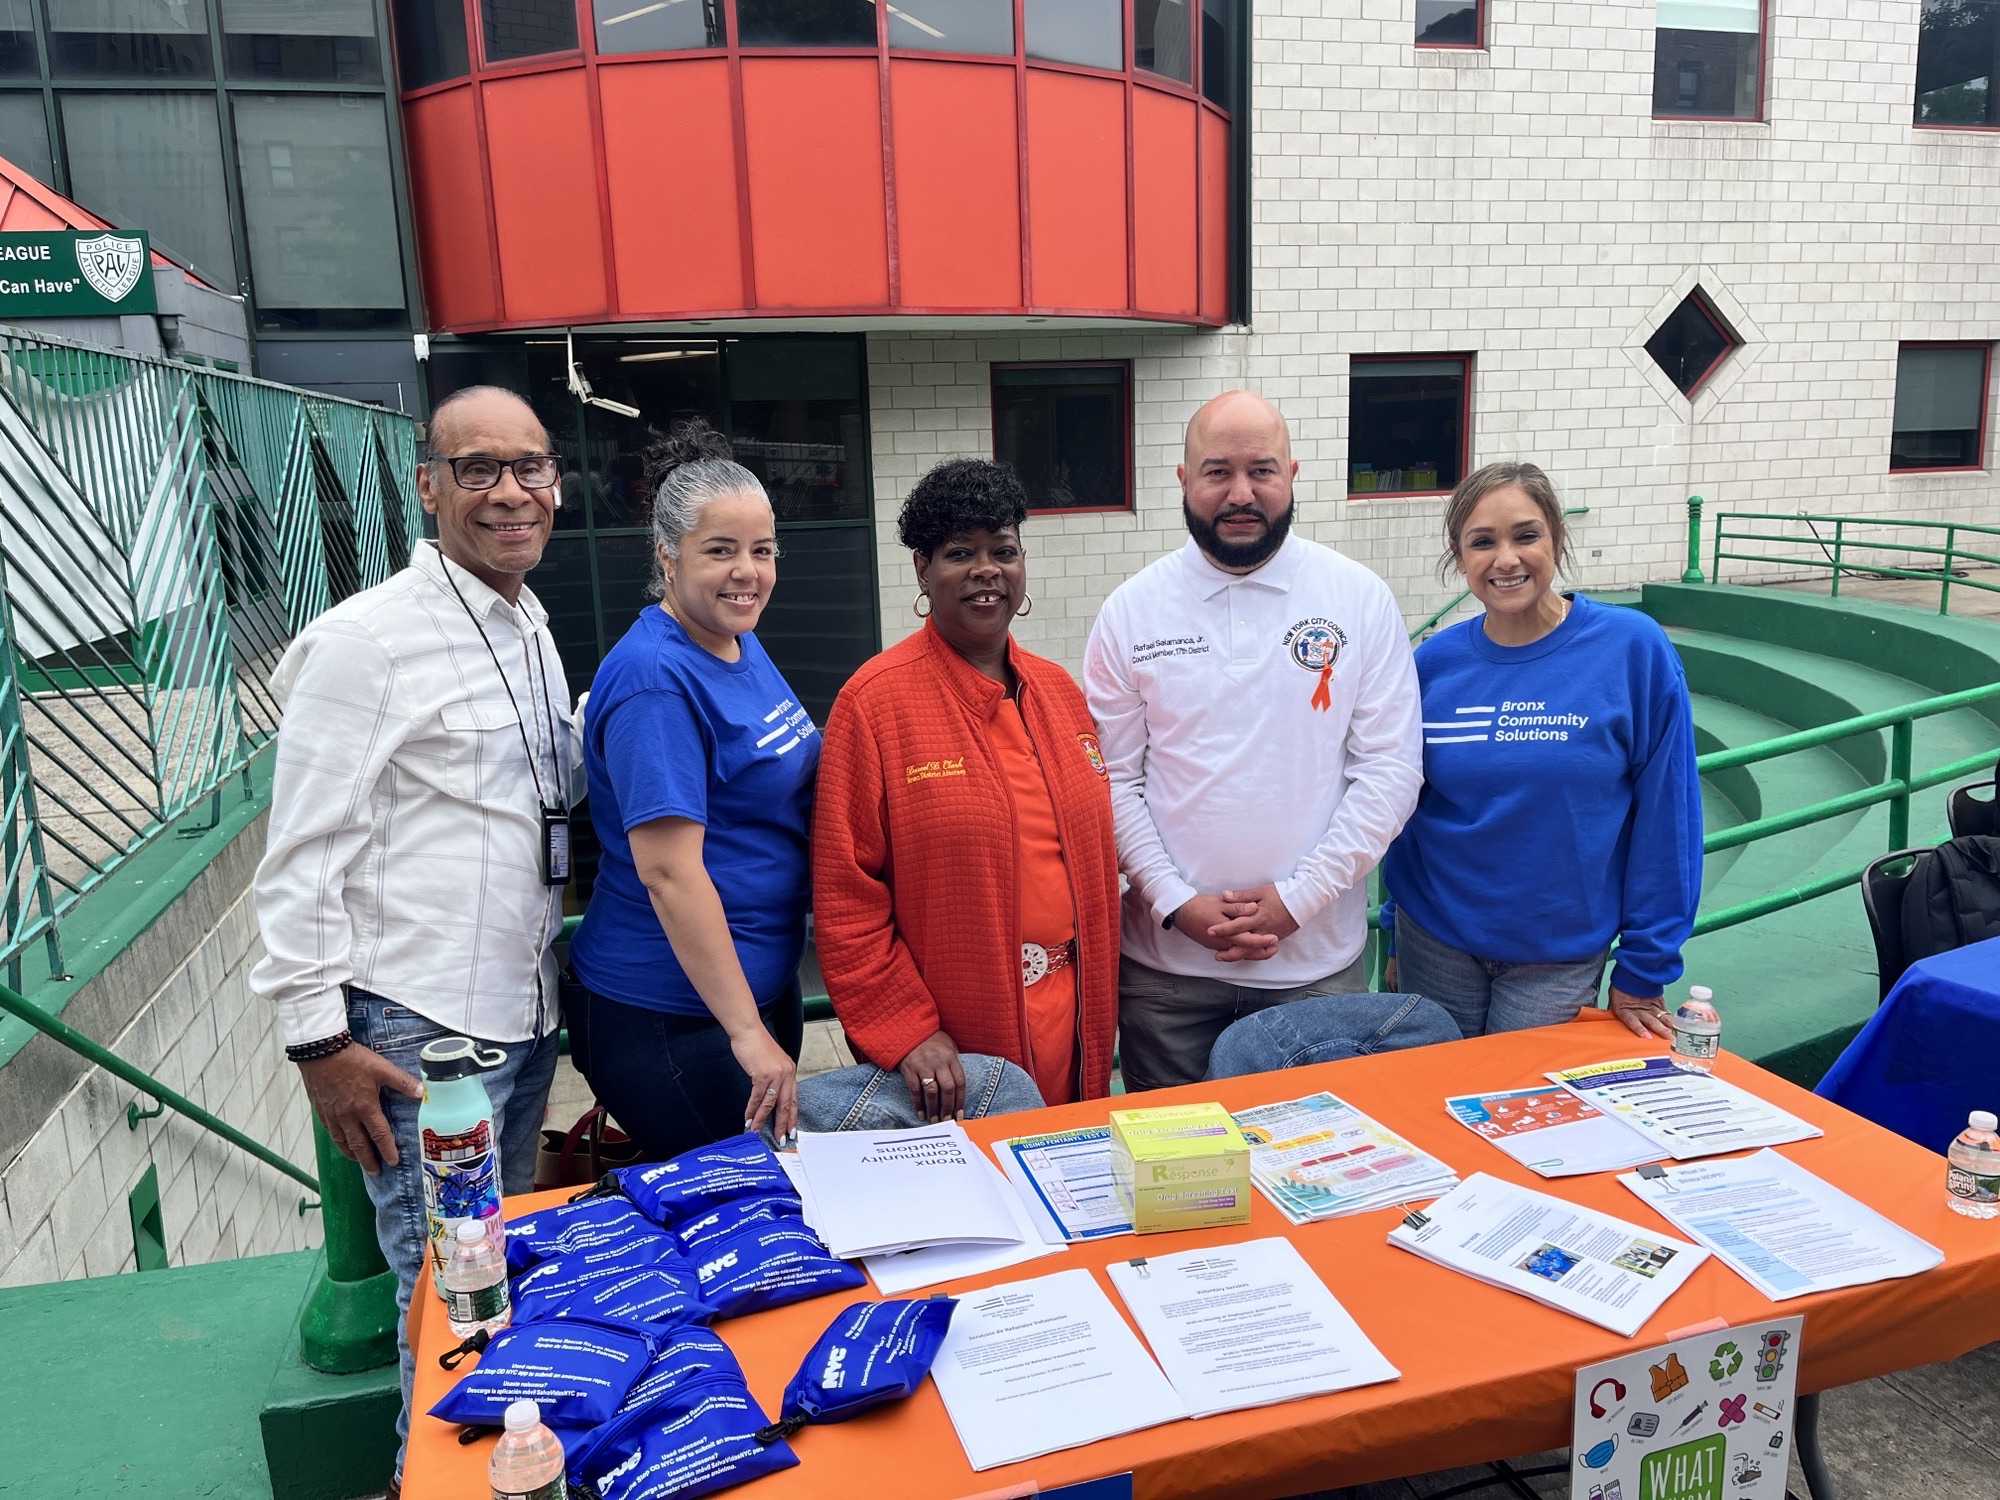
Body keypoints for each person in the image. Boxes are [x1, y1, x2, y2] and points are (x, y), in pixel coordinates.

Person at [249, 385, 576, 1485]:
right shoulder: (365, 643)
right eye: (476, 469)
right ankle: (419, 1479)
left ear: (557, 485)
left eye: (527, 467)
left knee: (495, 1286)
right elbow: (297, 857)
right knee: (444, 1303)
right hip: (419, 1038)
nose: (508, 492)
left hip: (519, 1016)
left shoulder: (526, 621)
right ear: (426, 485)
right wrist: (317, 1044)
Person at [1082, 390, 1424, 1091]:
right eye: (1217, 472)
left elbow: (1389, 769)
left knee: (1318, 1170)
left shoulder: (1358, 598)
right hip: (1167, 977)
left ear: (1293, 474)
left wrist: (1298, 899)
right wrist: (1176, 901)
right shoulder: (1129, 612)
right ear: (1183, 480)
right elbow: (1113, 779)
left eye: (1261, 470)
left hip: (1316, 970)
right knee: (1176, 1181)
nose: (1241, 493)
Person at [813, 458, 1120, 1115]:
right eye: (960, 552)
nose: (987, 569)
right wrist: (906, 1028)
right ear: (922, 570)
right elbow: (845, 895)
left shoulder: (1061, 694)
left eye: (1002, 550)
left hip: (1076, 1013)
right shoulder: (874, 703)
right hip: (955, 1039)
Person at [1380, 461, 1701, 1039]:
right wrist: (1392, 927)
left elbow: (1669, 818)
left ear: (1557, 537)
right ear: (1460, 558)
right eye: (1483, 542)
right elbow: (1407, 810)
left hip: (1556, 956)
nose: (1506, 559)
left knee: (1518, 1114)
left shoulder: (1632, 649)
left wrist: (1646, 963)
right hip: (1433, 939)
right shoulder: (1431, 665)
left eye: (1526, 535)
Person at [565, 420, 816, 1159]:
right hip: (674, 1018)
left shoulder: (735, 639)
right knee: (751, 1219)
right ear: (665, 555)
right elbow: (670, 873)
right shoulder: (656, 680)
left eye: (762, 551)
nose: (748, 571)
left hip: (754, 994)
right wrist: (747, 1033)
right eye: (721, 551)